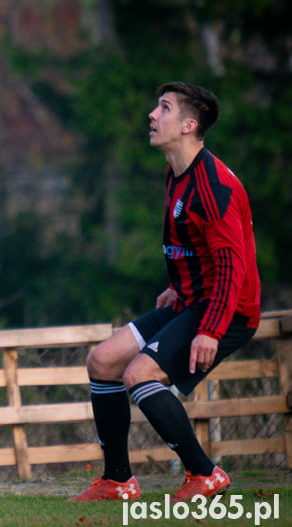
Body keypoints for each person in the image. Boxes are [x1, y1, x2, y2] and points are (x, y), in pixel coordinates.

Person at [69, 82, 261, 503]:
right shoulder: (178, 173)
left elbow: (232, 266)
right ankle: (118, 481)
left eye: (165, 108)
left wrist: (210, 330)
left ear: (189, 125)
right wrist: (177, 285)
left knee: (140, 374)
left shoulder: (214, 186)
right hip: (192, 299)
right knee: (102, 362)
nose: (153, 115)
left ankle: (205, 474)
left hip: (226, 310)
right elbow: (197, 246)